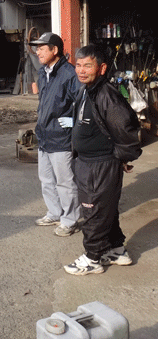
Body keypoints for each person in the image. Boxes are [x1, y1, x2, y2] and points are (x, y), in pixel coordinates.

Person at [64, 45, 142, 275]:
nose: (81, 70)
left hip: (99, 165)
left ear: (102, 68)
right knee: (106, 209)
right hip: (88, 162)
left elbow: (127, 128)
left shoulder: (106, 94)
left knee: (93, 212)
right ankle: (116, 250)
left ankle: (93, 258)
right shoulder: (87, 90)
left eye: (88, 65)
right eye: (78, 65)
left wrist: (124, 157)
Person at [30, 32, 81, 236]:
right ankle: (54, 212)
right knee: (46, 179)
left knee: (65, 182)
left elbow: (82, 103)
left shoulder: (69, 74)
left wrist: (72, 123)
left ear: (55, 50)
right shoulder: (43, 73)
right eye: (37, 48)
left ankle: (70, 220)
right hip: (44, 135)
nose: (38, 51)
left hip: (61, 137)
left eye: (42, 48)